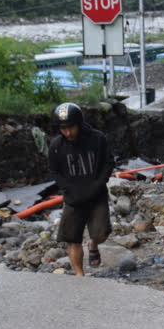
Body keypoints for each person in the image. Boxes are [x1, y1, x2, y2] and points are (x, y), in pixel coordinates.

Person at [48, 102, 114, 277]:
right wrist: (67, 188)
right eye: (63, 129)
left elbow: (108, 163)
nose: (68, 133)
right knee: (72, 239)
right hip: (73, 198)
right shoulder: (56, 146)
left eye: (71, 128)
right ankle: (80, 275)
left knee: (102, 232)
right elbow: (54, 171)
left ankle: (93, 244)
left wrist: (98, 184)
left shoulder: (97, 139)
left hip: (96, 195)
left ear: (79, 123)